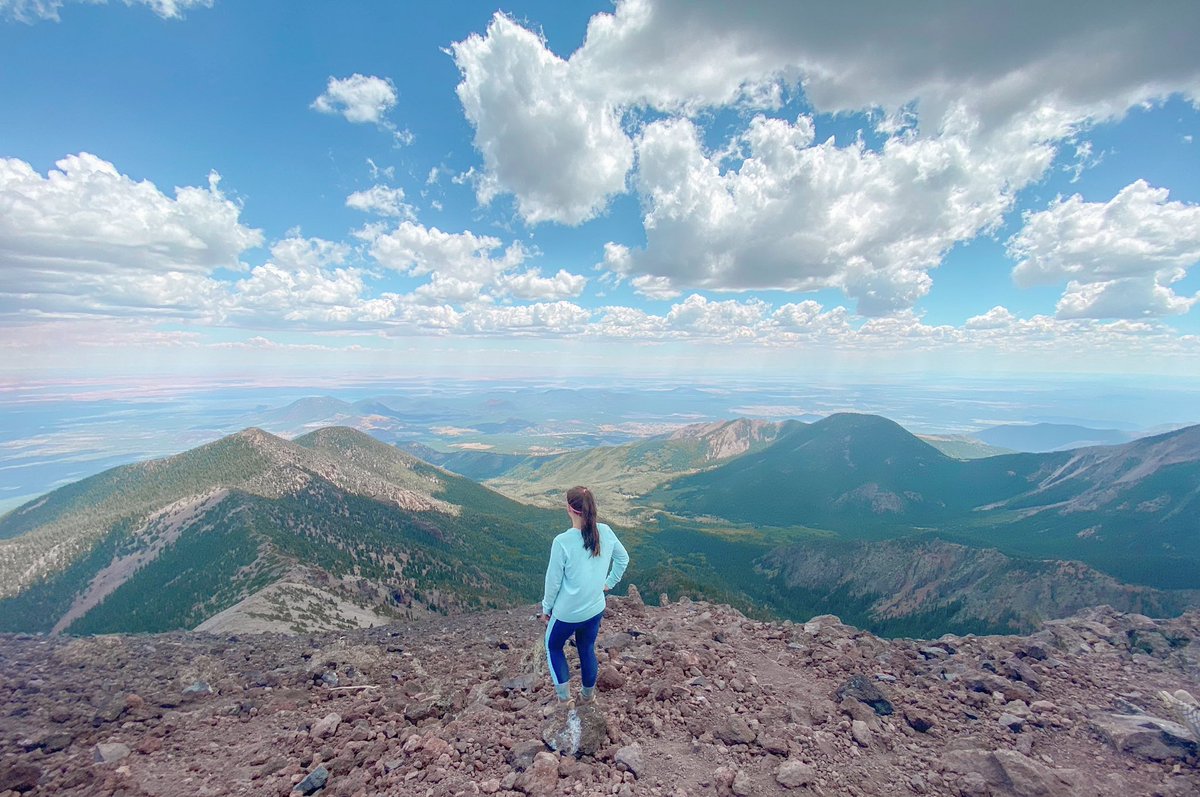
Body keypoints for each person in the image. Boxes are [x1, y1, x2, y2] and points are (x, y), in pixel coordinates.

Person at [540, 485, 629, 708]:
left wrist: (547, 608)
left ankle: (565, 701)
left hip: (567, 612)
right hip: (595, 608)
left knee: (552, 646)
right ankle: (588, 697)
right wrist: (608, 583)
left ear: (569, 509)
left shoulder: (562, 542)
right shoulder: (605, 532)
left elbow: (553, 582)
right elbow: (623, 559)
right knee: (586, 648)